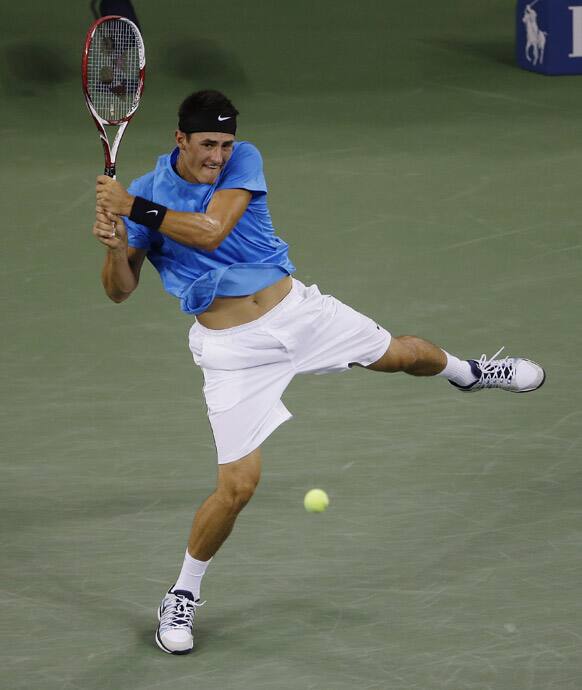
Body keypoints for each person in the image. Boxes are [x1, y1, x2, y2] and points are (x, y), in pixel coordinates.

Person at [93, 89, 545, 655]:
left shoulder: (238, 163)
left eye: (225, 143)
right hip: (232, 350)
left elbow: (212, 230)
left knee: (402, 356)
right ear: (179, 139)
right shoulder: (147, 192)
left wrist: (132, 208)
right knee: (238, 487)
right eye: (207, 144)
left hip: (298, 314)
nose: (218, 155)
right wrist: (116, 246)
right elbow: (119, 291)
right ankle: (182, 594)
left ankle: (469, 371)